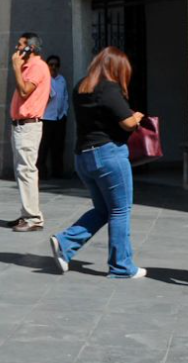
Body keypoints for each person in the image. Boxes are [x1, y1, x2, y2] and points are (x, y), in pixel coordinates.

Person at [49, 47, 146, 279]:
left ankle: (65, 242)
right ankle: (122, 266)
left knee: (103, 210)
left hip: (84, 156)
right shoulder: (108, 88)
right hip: (108, 155)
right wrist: (137, 118)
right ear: (116, 68)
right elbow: (127, 123)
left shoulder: (81, 87)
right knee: (120, 210)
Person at [7, 33, 50, 232]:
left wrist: (16, 67)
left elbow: (25, 91)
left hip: (28, 125)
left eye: (20, 45)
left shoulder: (37, 67)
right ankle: (27, 213)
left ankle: (33, 217)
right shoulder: (28, 67)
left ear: (29, 48)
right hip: (21, 125)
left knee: (26, 171)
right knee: (22, 170)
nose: (16, 48)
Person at [37, 55, 69, 179]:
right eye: (51, 65)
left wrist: (64, 112)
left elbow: (65, 96)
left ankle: (57, 172)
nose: (53, 67)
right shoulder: (44, 79)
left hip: (59, 118)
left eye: (56, 65)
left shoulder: (62, 79)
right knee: (43, 147)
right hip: (46, 117)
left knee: (58, 146)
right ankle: (42, 172)